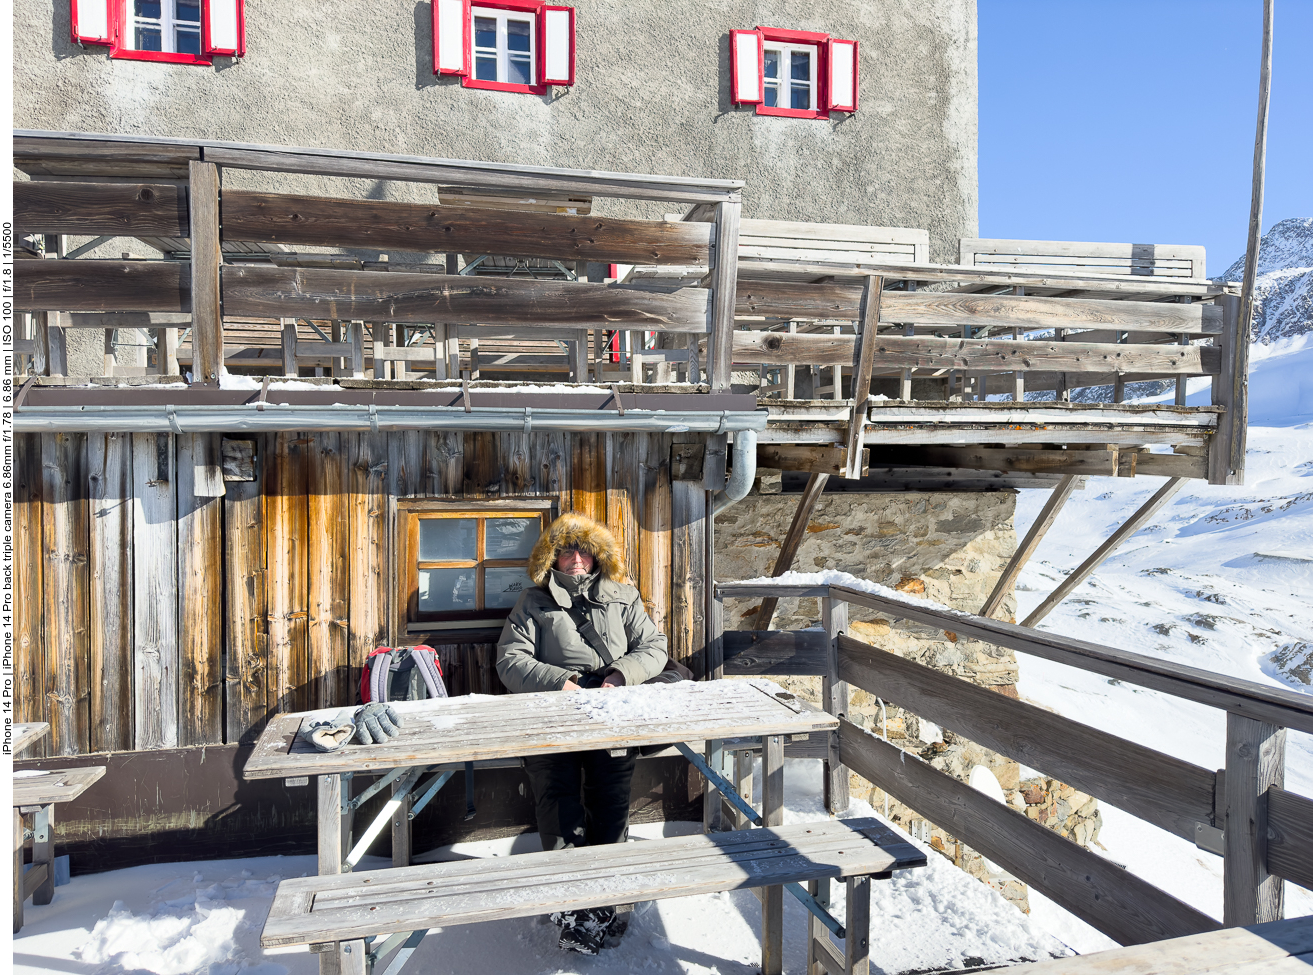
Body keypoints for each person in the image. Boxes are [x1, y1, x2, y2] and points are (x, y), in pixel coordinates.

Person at [496, 512, 669, 954]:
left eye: (584, 550)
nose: (576, 558)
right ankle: (573, 907)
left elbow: (653, 648)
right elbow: (510, 660)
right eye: (567, 550)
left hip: (612, 713)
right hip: (553, 716)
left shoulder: (623, 597)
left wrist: (619, 677)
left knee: (610, 801)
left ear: (596, 557)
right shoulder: (532, 602)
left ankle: (604, 901)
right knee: (556, 802)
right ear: (552, 557)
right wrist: (560, 683)